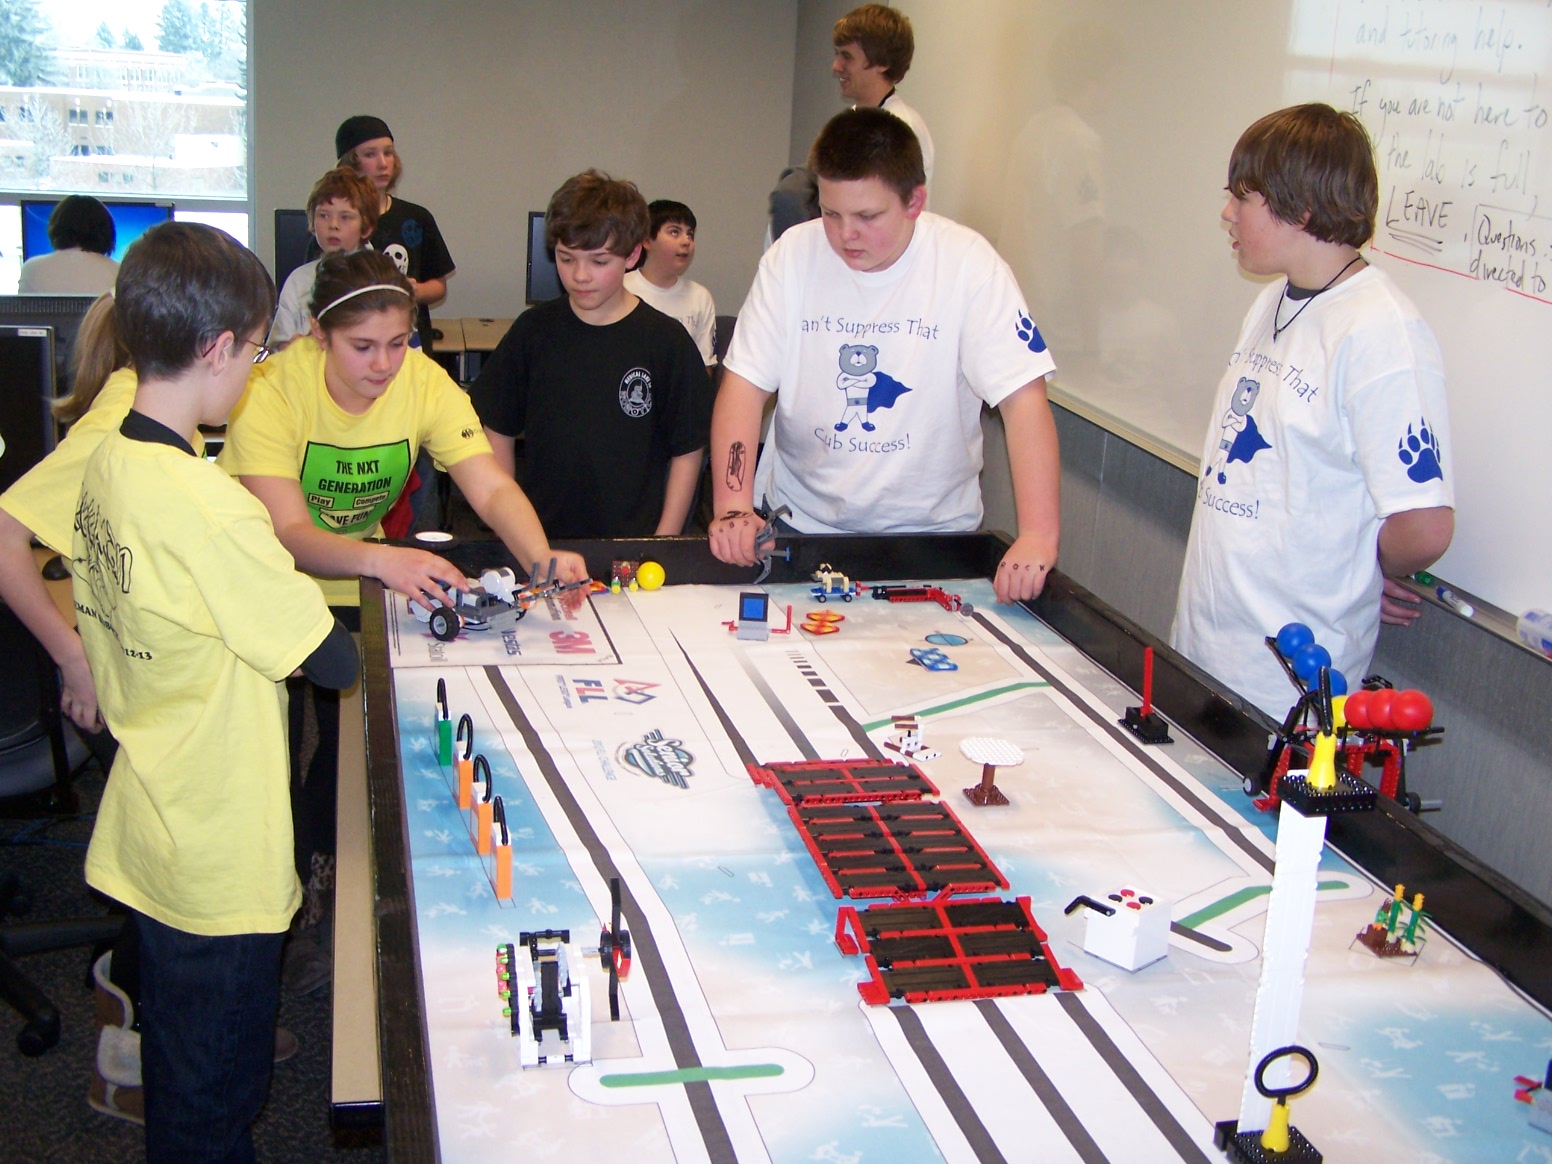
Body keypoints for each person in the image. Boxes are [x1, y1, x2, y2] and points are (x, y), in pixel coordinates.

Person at [67, 221, 358, 1161]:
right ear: (219, 349)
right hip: (219, 862)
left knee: (182, 1066)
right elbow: (334, 660)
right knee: (214, 1107)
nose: (260, 369)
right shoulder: (209, 506)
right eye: (260, 349)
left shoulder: (108, 453)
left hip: (150, 825)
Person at [220, 250, 586, 989]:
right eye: (363, 346)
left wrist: (542, 554)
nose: (385, 364)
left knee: (345, 759)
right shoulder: (269, 388)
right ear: (319, 337)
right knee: (265, 765)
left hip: (358, 585)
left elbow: (488, 485)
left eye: (398, 342)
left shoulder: (424, 380)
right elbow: (287, 531)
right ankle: (266, 915)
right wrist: (385, 559)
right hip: (256, 590)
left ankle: (322, 891)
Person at [1170, 104, 1454, 719]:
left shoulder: (1381, 332)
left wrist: (1361, 564)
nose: (1227, 214)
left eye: (1242, 197)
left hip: (1288, 688)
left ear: (1299, 210)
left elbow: (1425, 526)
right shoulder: (1273, 299)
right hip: (1210, 646)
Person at [710, 108, 1060, 607]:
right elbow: (744, 387)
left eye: (867, 216)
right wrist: (731, 507)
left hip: (931, 537)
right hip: (801, 525)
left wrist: (1039, 535)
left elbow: (1024, 400)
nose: (845, 234)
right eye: (831, 213)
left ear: (915, 201)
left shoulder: (967, 265)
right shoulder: (792, 256)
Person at [471, 171, 711, 539]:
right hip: (542, 539)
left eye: (599, 262)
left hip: (634, 542)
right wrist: (511, 521)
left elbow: (688, 450)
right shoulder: (533, 331)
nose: (580, 275)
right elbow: (497, 427)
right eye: (566, 259)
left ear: (632, 255)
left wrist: (663, 540)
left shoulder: (666, 341)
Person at [333, 115, 455, 353]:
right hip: (352, 347)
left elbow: (439, 286)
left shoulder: (416, 218)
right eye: (370, 155)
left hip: (410, 346)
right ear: (350, 162)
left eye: (388, 153)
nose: (383, 163)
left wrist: (414, 290)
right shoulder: (334, 222)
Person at [269, 166, 380, 347]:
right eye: (324, 215)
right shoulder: (298, 281)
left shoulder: (380, 279)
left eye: (345, 217)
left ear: (366, 227)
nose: (333, 225)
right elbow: (277, 347)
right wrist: (296, 346)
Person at [832, 3, 934, 191]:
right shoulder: (849, 122)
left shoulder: (902, 129)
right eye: (837, 55)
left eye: (847, 56)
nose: (836, 66)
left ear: (883, 62)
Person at [624, 199, 718, 371]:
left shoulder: (700, 297)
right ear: (646, 241)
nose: (686, 241)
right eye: (674, 232)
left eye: (690, 234)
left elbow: (704, 369)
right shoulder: (622, 288)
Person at [17, 195, 119, 294]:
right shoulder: (119, 273)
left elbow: (22, 310)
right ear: (107, 231)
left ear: (57, 229)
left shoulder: (32, 268)